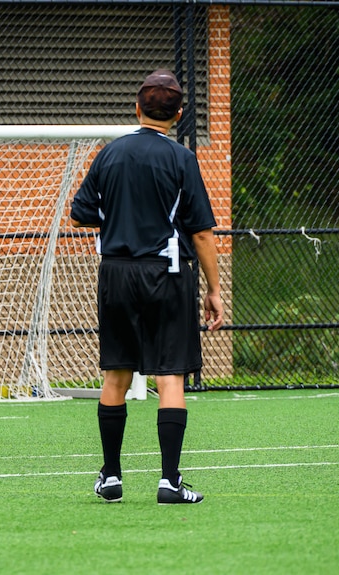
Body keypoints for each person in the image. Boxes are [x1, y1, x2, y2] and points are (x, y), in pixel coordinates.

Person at [69, 70, 224, 505]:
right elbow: (201, 234)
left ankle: (112, 477)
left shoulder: (109, 154)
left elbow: (79, 214)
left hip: (116, 272)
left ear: (136, 109)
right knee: (170, 374)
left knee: (117, 372)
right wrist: (214, 288)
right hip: (166, 274)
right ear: (177, 114)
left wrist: (121, 216)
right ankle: (169, 482)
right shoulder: (181, 159)